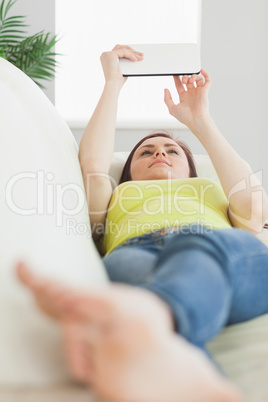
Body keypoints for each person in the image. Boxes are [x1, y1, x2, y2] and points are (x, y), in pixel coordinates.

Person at [17, 44, 268, 401]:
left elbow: (256, 208)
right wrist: (112, 84)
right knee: (130, 278)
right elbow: (93, 166)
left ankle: (152, 314)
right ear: (129, 171)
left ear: (191, 168)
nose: (159, 153)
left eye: (171, 150)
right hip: (136, 253)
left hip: (216, 250)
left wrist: (200, 121)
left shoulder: (213, 190)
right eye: (146, 152)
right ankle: (183, 367)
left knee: (197, 248)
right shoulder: (116, 195)